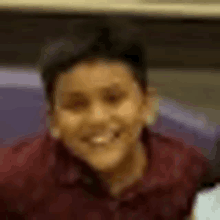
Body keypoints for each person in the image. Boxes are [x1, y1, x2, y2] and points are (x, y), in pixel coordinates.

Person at [0, 17, 215, 220]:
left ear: (147, 105)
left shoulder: (186, 175)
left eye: (113, 99)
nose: (97, 119)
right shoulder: (13, 181)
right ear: (53, 121)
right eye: (76, 105)